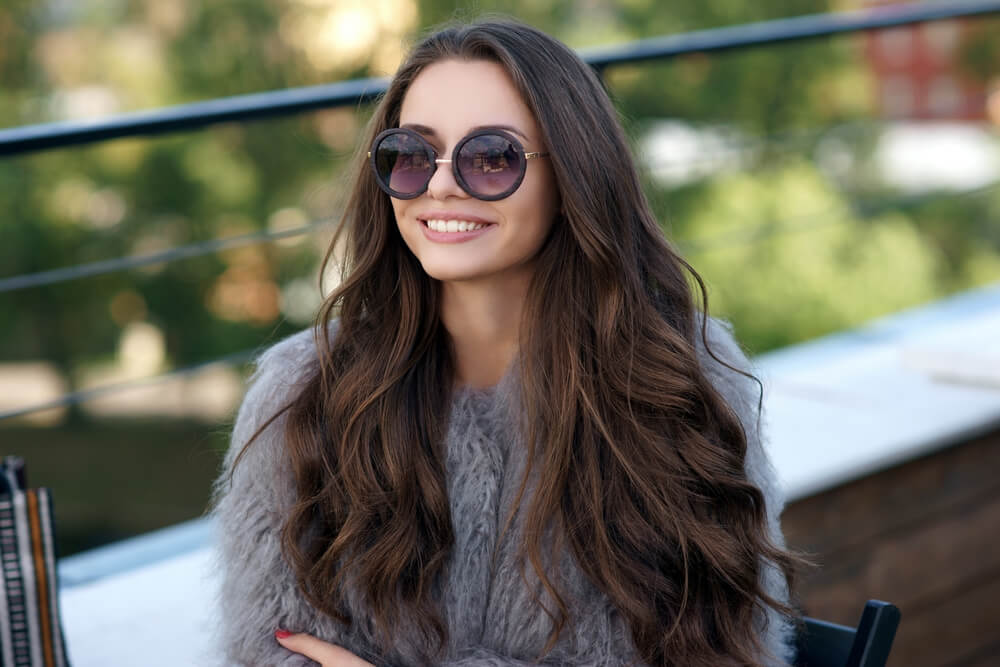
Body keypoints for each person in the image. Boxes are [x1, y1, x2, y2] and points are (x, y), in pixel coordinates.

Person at [212, 17, 800, 667]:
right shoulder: (303, 392)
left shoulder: (682, 383)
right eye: (410, 154)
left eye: (492, 156)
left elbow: (735, 653)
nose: (439, 184)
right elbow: (267, 650)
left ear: (572, 174)